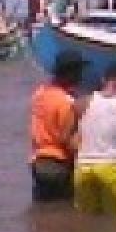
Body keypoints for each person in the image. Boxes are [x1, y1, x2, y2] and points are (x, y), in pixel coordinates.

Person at [72, 63, 116, 218]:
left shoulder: (80, 103)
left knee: (85, 220)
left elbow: (70, 136)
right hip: (111, 166)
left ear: (103, 79)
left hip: (83, 167)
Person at [29, 50, 86, 202]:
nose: (81, 76)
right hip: (58, 164)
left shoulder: (39, 94)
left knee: (43, 212)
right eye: (79, 71)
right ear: (70, 73)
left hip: (38, 163)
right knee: (68, 213)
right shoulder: (67, 103)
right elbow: (68, 140)